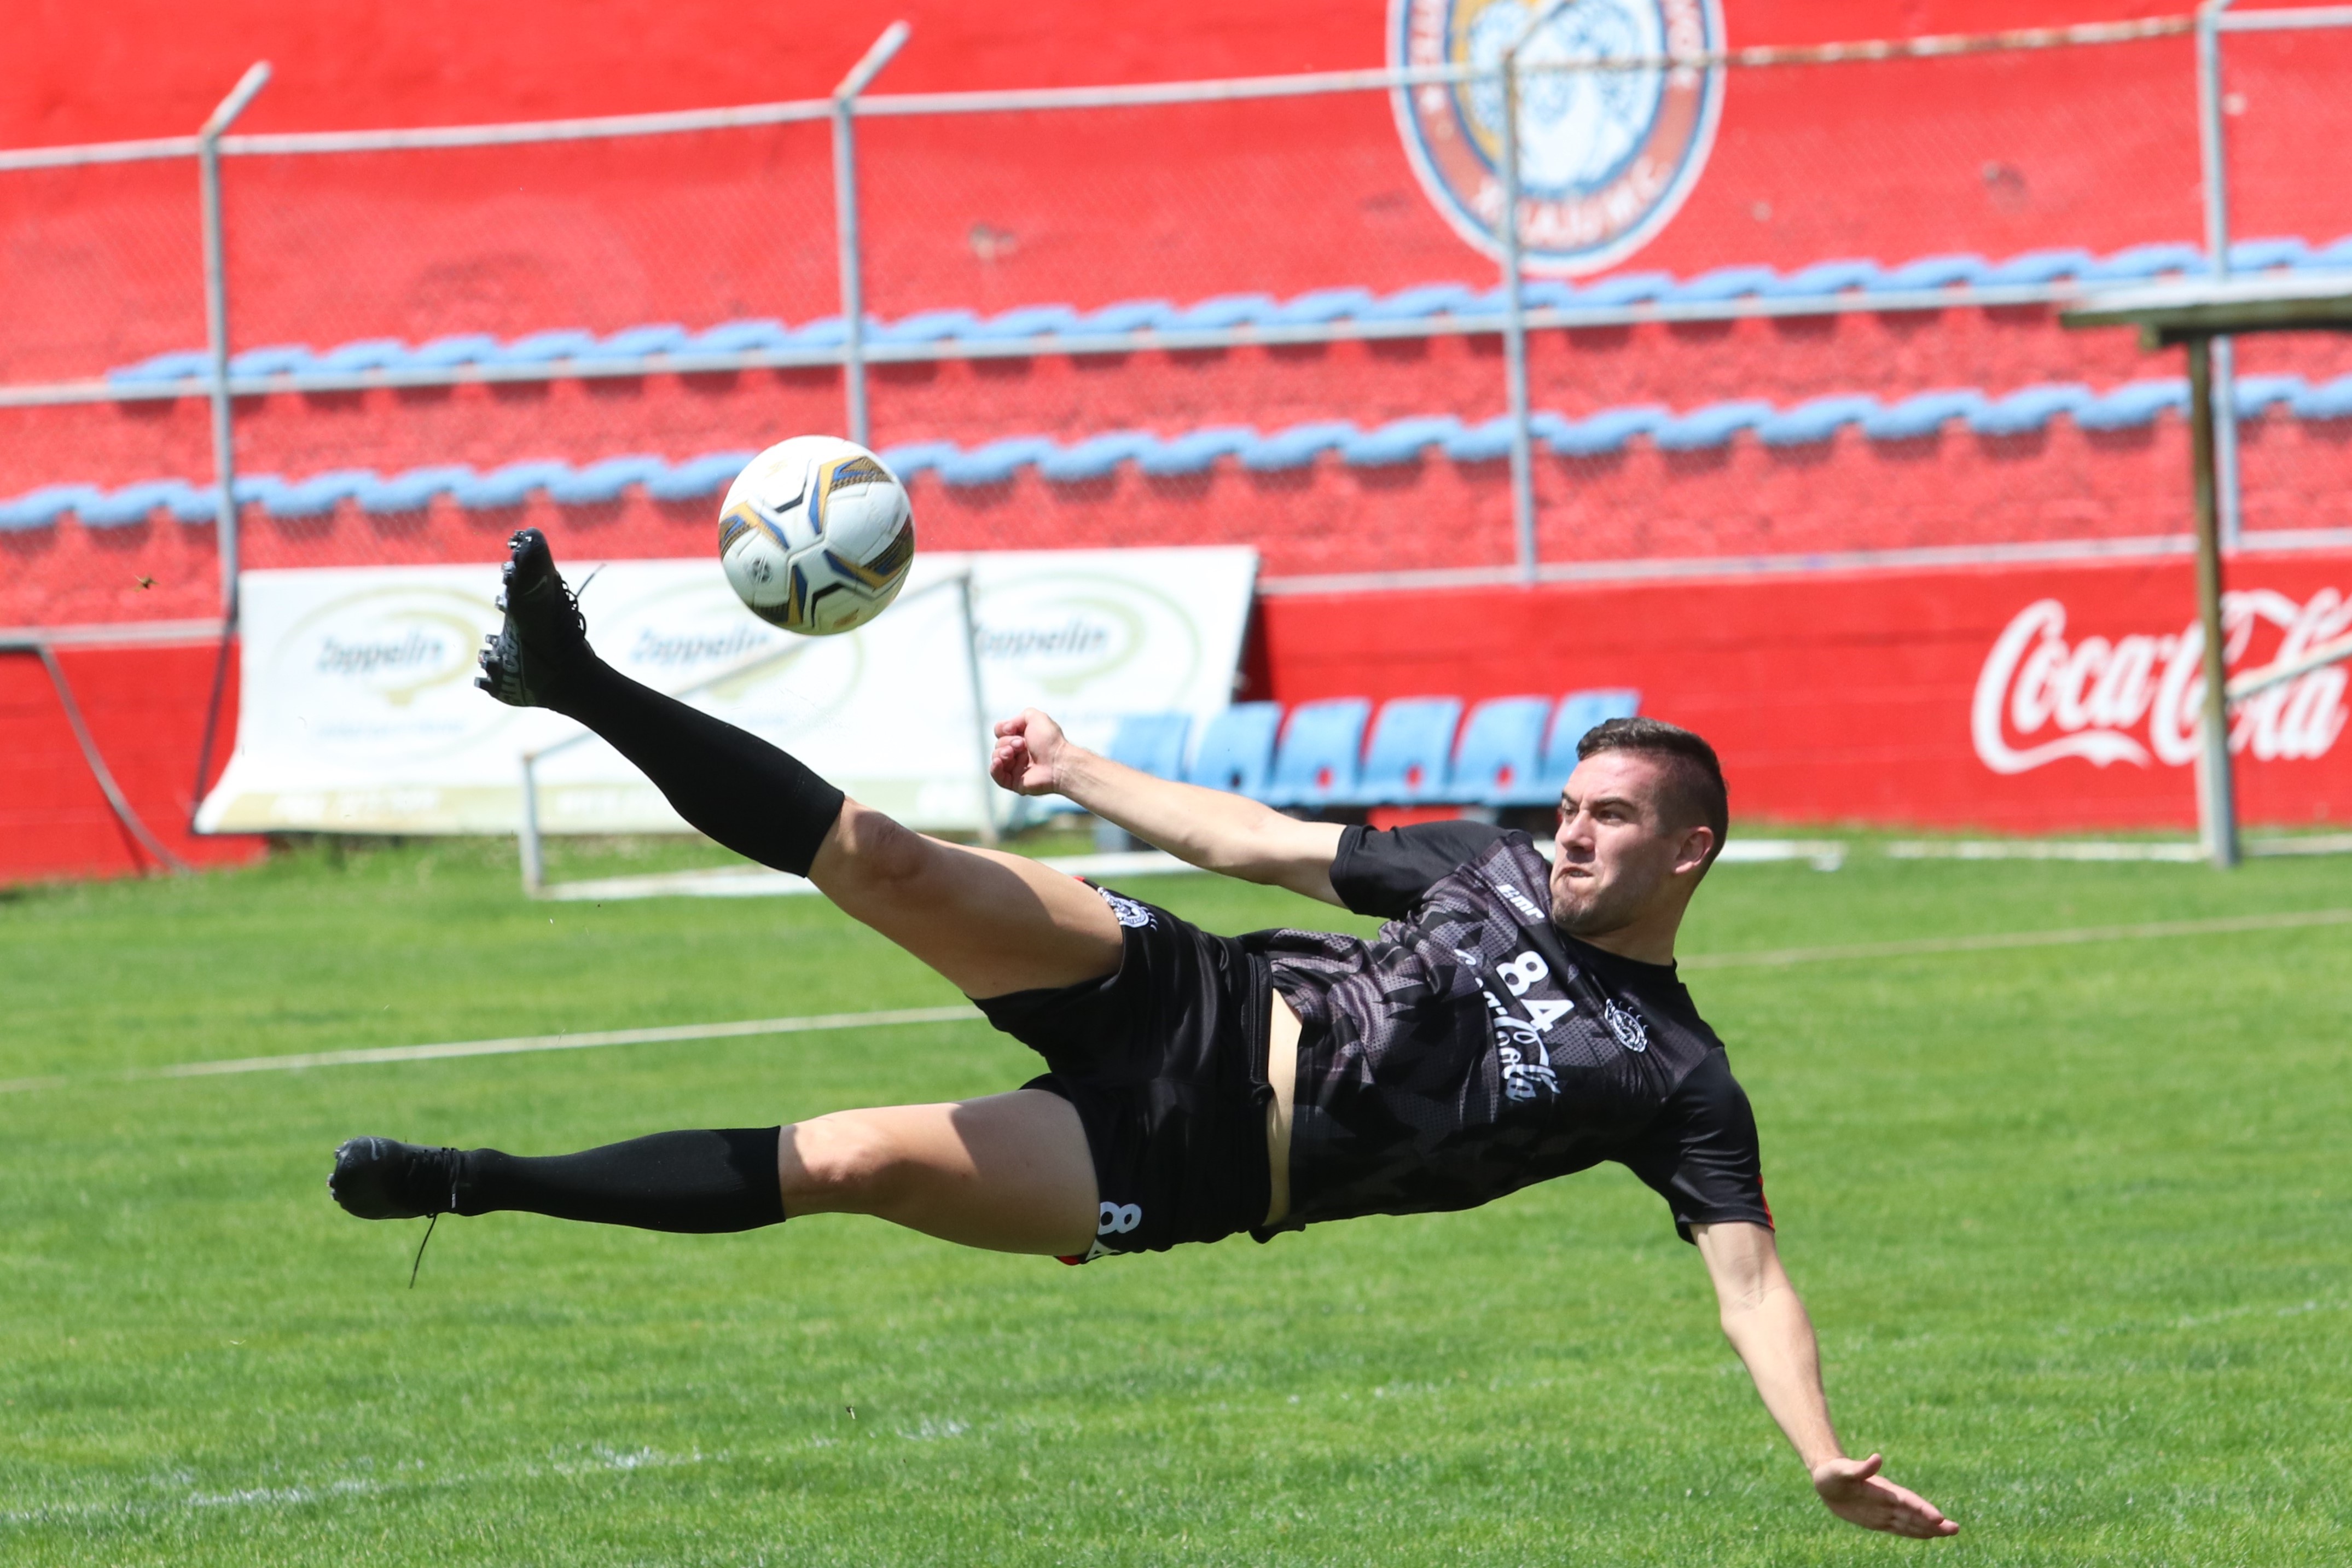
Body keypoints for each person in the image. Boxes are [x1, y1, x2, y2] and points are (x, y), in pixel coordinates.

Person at [330, 529, 1956, 1540]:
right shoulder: (1488, 861)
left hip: (1184, 1167)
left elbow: (1748, 1276)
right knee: (885, 856)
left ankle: (474, 1182)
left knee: (846, 1160)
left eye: (1613, 817)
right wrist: (1083, 766)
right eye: (1572, 802)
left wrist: (1816, 1454)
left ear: (1692, 850)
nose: (1574, 832)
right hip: (1189, 989)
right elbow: (1260, 845)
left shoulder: (1675, 1077)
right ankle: (578, 673)